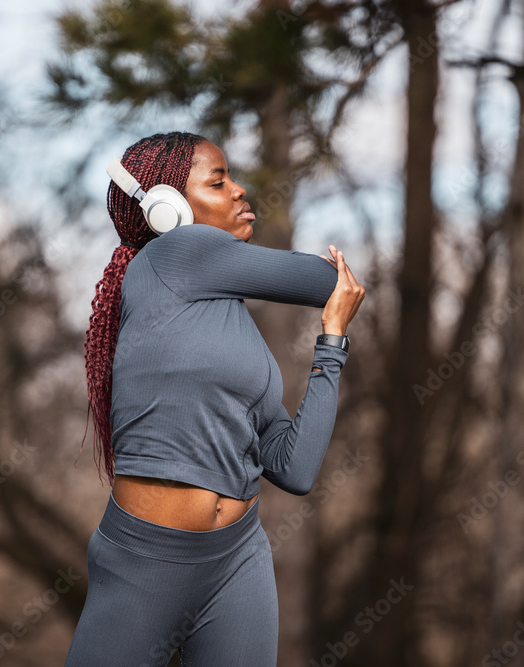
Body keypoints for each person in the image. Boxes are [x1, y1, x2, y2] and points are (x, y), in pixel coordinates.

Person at [65, 131, 365, 666]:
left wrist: (332, 344)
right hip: (146, 559)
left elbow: (294, 469)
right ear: (166, 208)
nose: (239, 190)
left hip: (239, 559)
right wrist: (335, 294)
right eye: (218, 180)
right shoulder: (177, 251)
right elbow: (326, 278)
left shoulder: (233, 336)